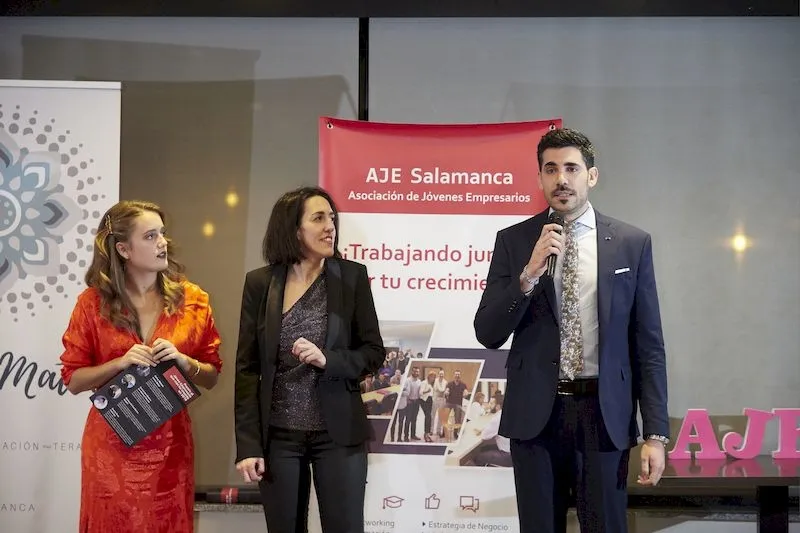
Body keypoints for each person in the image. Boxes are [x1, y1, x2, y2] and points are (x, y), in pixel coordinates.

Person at [474, 128, 669, 533]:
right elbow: (488, 332)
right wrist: (527, 276)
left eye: (571, 168)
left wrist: (655, 435)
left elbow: (648, 345)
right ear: (539, 178)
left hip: (603, 414)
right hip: (536, 417)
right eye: (550, 169)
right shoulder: (514, 242)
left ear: (591, 176)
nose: (561, 179)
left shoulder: (631, 243)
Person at [60, 200, 223, 533]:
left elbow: (212, 374)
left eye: (162, 233)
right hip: (111, 451)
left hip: (172, 452)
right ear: (123, 249)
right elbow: (74, 380)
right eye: (150, 236)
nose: (163, 242)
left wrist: (185, 362)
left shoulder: (193, 301)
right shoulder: (91, 304)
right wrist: (119, 363)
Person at [234, 186, 385, 533]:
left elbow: (373, 353)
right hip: (279, 438)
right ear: (293, 229)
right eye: (318, 218)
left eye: (331, 218)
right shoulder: (260, 283)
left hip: (338, 436)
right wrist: (248, 445)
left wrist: (328, 359)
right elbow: (247, 370)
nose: (330, 226)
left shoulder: (352, 277)